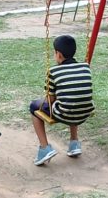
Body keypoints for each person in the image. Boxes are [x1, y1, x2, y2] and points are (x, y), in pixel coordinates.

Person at [29, 35, 94, 166]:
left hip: (65, 114)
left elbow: (50, 99)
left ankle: (44, 147)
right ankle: (74, 143)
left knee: (33, 107)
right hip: (85, 112)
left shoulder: (53, 71)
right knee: (71, 100)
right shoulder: (86, 67)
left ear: (58, 54)